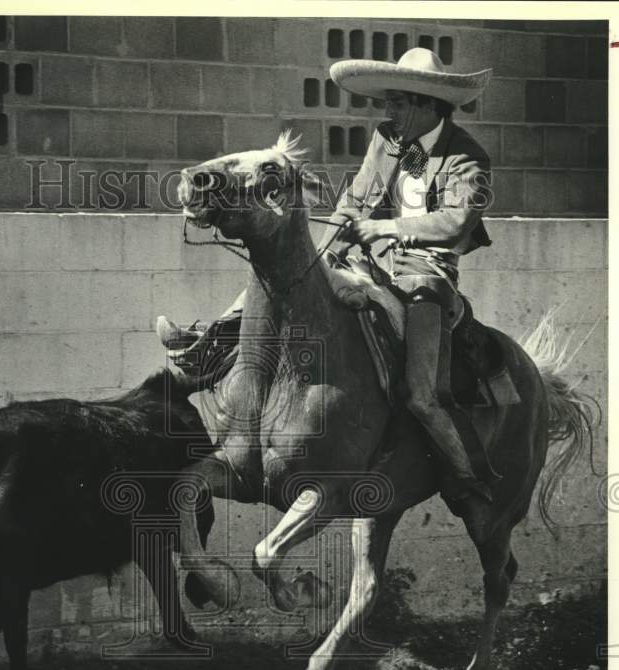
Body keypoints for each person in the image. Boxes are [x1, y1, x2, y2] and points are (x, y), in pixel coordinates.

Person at [157, 48, 498, 508]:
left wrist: (387, 228)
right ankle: (209, 344)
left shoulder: (467, 157)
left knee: (422, 394)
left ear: (426, 104)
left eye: (397, 102)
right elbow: (354, 203)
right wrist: (326, 249)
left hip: (427, 275)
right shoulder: (388, 141)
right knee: (287, 278)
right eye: (389, 103)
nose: (389, 111)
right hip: (371, 260)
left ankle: (468, 474)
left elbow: (455, 221)